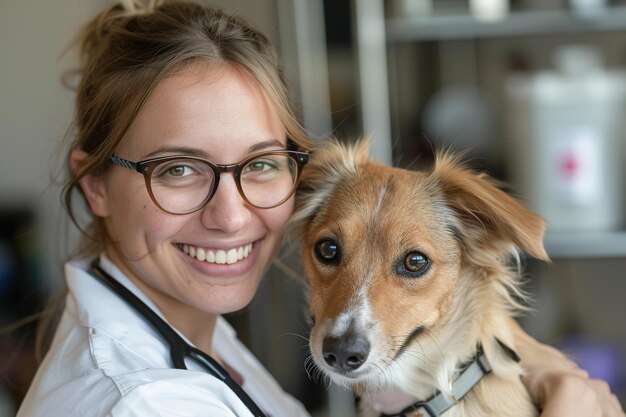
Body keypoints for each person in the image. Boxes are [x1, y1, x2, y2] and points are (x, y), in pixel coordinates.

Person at [16, 1, 625, 416]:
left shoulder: (197, 332)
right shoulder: (146, 402)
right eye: (177, 169)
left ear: (289, 179)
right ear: (95, 184)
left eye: (257, 164)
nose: (231, 216)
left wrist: (550, 369)